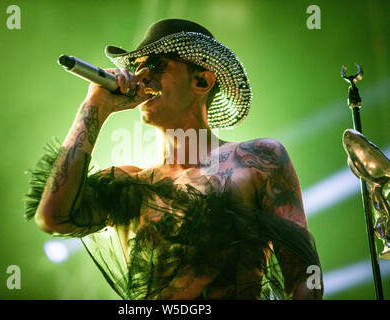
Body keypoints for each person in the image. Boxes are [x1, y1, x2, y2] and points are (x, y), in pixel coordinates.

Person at [25, 19, 323, 300]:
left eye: (156, 65)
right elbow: (52, 217)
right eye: (136, 68)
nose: (141, 77)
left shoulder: (256, 159)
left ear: (202, 82)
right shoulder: (131, 182)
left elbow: (304, 277)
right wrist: (95, 105)